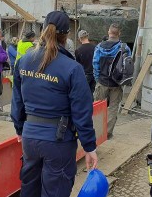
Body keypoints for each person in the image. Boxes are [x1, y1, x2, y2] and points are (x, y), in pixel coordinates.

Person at [11, 11, 98, 197]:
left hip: (30, 137)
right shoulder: (72, 68)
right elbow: (82, 111)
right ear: (66, 36)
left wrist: (19, 129)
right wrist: (89, 146)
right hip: (58, 141)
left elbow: (17, 99)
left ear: (42, 30)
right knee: (56, 191)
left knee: (29, 189)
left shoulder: (24, 61)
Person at [93, 24, 131, 139]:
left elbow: (95, 65)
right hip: (117, 83)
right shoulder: (124, 48)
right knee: (113, 108)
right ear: (119, 33)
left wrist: (97, 79)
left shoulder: (99, 47)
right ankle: (107, 134)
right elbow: (128, 65)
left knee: (98, 106)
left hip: (102, 82)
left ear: (109, 32)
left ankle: (96, 131)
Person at [75, 30, 96, 96]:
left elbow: (78, 65)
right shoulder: (95, 48)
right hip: (95, 74)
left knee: (84, 95)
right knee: (93, 94)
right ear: (87, 36)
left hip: (85, 75)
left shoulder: (78, 50)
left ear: (80, 39)